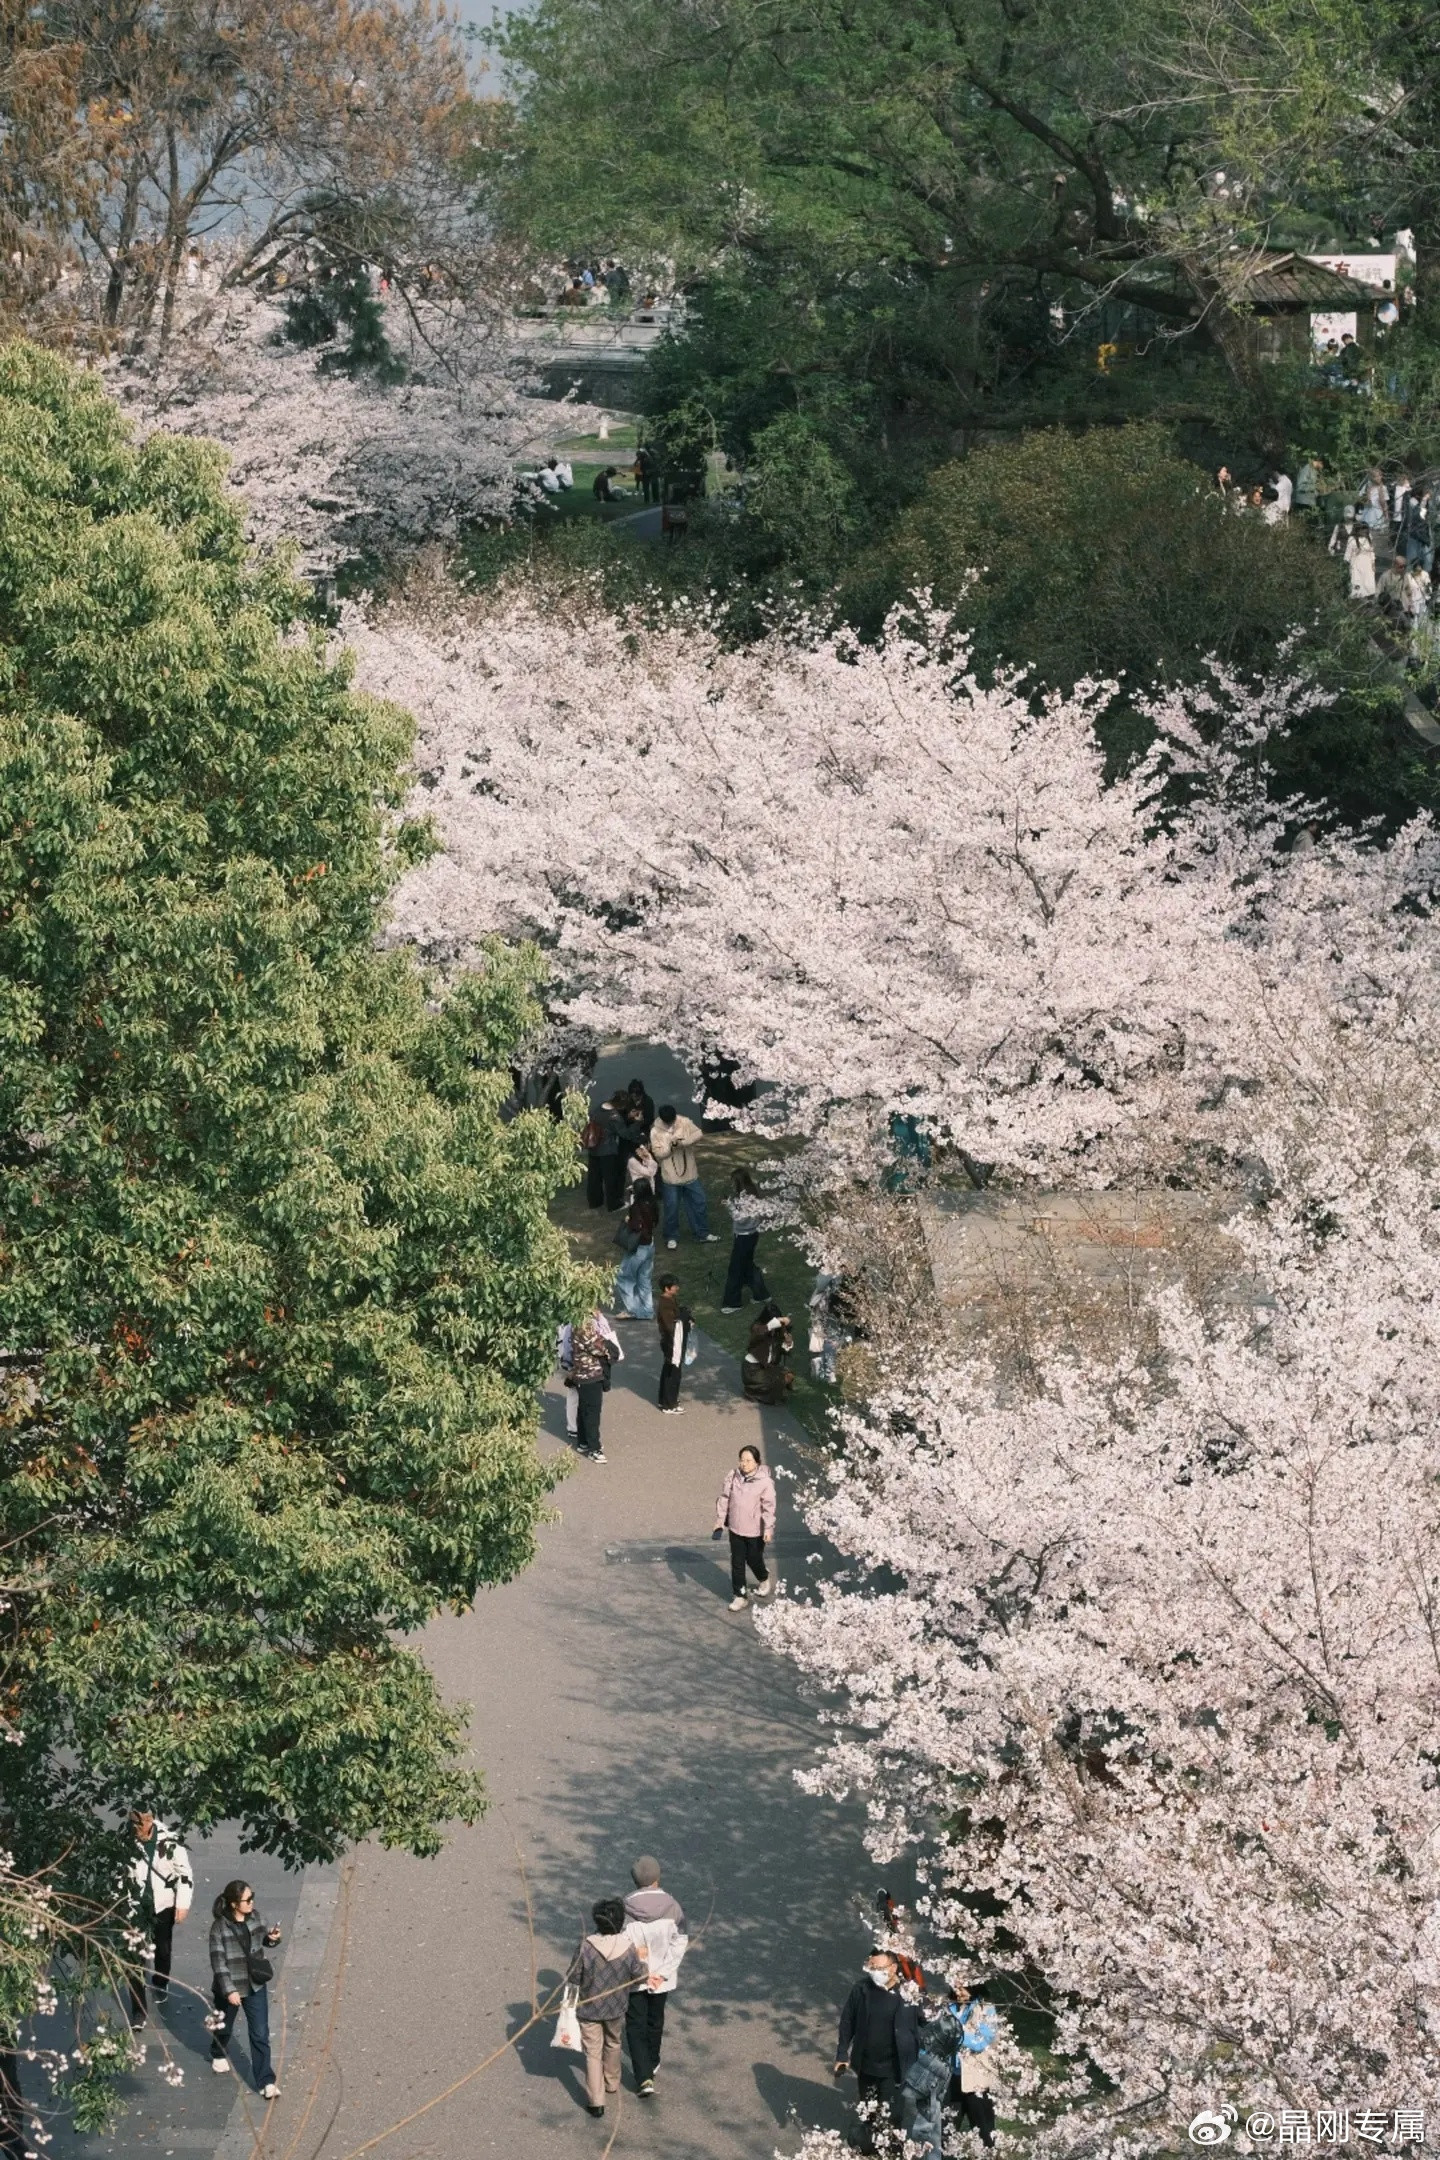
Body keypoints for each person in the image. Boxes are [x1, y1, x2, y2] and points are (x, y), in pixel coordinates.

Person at [834, 1948, 922, 2153]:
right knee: (869, 2112)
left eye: (879, 1968)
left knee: (892, 2115)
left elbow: (925, 2021)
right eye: (871, 1967)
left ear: (892, 1968)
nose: (874, 1972)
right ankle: (869, 2148)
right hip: (866, 2065)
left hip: (895, 2068)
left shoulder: (909, 1993)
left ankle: (892, 2150)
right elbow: (847, 2021)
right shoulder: (861, 1990)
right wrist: (842, 2054)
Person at [567, 1897, 647, 2118]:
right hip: (616, 2006)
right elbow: (639, 1976)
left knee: (592, 2053)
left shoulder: (586, 1947)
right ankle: (612, 2081)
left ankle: (596, 2101)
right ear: (621, 1922)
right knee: (613, 2042)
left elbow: (573, 1976)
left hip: (589, 2008)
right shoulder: (628, 1948)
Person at [208, 1881, 282, 2097]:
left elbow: (262, 1943)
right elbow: (218, 1962)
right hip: (230, 1986)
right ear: (233, 1904)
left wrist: (272, 1938)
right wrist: (229, 1990)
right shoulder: (219, 1928)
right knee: (224, 2026)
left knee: (260, 2033)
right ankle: (217, 2051)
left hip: (255, 1984)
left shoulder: (256, 1917)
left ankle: (266, 2081)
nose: (252, 1902)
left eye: (252, 1897)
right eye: (247, 1900)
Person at [623, 1857, 688, 2097]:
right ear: (657, 1878)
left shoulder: (625, 1909)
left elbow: (622, 1946)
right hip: (662, 1979)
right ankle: (652, 2059)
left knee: (635, 2023)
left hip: (634, 1979)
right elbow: (679, 1942)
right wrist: (661, 1973)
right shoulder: (673, 1907)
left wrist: (641, 1972)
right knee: (655, 2020)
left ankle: (643, 2077)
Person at [125, 1809, 193, 2026]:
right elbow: (119, 1872)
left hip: (163, 1905)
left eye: (140, 1826)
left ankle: (161, 1980)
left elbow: (184, 1873)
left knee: (162, 1950)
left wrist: (182, 1904)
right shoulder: (126, 1841)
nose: (136, 1831)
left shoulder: (170, 1840)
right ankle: (138, 2010)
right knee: (134, 1959)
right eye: (133, 1826)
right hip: (135, 1908)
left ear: (150, 1822)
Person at [713, 1443, 776, 1610]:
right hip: (735, 1528)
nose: (744, 1464)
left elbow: (769, 1506)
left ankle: (763, 1577)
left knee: (754, 1559)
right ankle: (740, 1596)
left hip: (755, 1530)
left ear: (757, 1462)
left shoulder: (765, 1482)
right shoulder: (733, 1476)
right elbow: (725, 1498)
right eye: (742, 1460)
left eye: (748, 1460)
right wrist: (719, 1521)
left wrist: (768, 1529)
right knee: (737, 1562)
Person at [940, 1981, 1001, 2148]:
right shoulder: (948, 2007)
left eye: (963, 1987)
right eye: (955, 1987)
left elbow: (981, 2041)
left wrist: (956, 2034)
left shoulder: (985, 2009)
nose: (958, 1992)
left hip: (976, 2082)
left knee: (984, 2132)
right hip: (951, 2078)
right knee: (945, 2132)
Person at [650, 1105, 715, 1248]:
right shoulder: (655, 1131)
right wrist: (670, 1147)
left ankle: (702, 1233)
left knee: (699, 1202)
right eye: (668, 1122)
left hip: (690, 1173)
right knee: (671, 1208)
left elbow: (698, 1133)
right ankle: (671, 1236)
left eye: (672, 1120)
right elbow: (658, 1153)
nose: (671, 1123)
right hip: (670, 1177)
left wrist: (683, 1142)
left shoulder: (684, 1121)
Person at [562, 1308, 623, 1460]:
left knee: (584, 1409)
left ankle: (583, 1442)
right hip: (591, 1374)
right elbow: (598, 1348)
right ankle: (594, 1449)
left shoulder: (576, 1324)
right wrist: (606, 1345)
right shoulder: (585, 1327)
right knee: (593, 1413)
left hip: (581, 1375)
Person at [720, 1168, 769, 1311]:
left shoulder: (747, 1198)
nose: (731, 1185)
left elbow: (740, 1218)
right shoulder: (750, 1194)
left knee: (736, 1269)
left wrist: (729, 1206)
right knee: (747, 1265)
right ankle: (761, 1294)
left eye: (733, 1182)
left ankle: (733, 1302)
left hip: (744, 1236)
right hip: (751, 1234)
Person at [613, 1178, 657, 1320]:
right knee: (644, 1279)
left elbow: (636, 1226)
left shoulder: (637, 1207)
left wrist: (628, 1221)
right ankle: (647, 1310)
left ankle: (633, 1310)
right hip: (649, 1245)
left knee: (624, 1277)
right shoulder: (653, 1203)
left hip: (638, 1248)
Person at [741, 1300, 793, 1406]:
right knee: (775, 1380)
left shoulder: (779, 1332)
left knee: (788, 1375)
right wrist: (778, 1321)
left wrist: (788, 1343)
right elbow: (761, 1331)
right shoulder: (757, 1328)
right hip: (752, 1369)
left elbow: (782, 1350)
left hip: (767, 1367)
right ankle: (752, 1392)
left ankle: (766, 1393)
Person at [655, 1275, 693, 1413]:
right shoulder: (665, 1304)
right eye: (674, 1286)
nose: (677, 1288)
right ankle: (669, 1405)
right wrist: (684, 1318)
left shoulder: (669, 1299)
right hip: (672, 1343)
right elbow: (671, 1325)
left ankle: (665, 1400)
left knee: (669, 1370)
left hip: (672, 1342)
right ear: (667, 1288)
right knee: (673, 1373)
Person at [583, 1094, 626, 1212]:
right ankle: (613, 1203)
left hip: (594, 1147)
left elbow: (590, 1116)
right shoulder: (615, 1117)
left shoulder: (598, 1108)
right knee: (610, 1178)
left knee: (594, 1178)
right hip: (608, 1150)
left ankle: (594, 1202)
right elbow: (623, 1133)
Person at [1344, 524, 1377, 601]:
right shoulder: (1352, 539)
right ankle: (1357, 602)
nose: (1365, 532)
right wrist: (1346, 563)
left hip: (1367, 564)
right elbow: (1348, 553)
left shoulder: (1368, 537)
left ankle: (1368, 601)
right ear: (1358, 530)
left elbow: (1372, 551)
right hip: (1356, 564)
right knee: (1357, 583)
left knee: (1368, 584)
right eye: (1363, 530)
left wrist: (1373, 563)